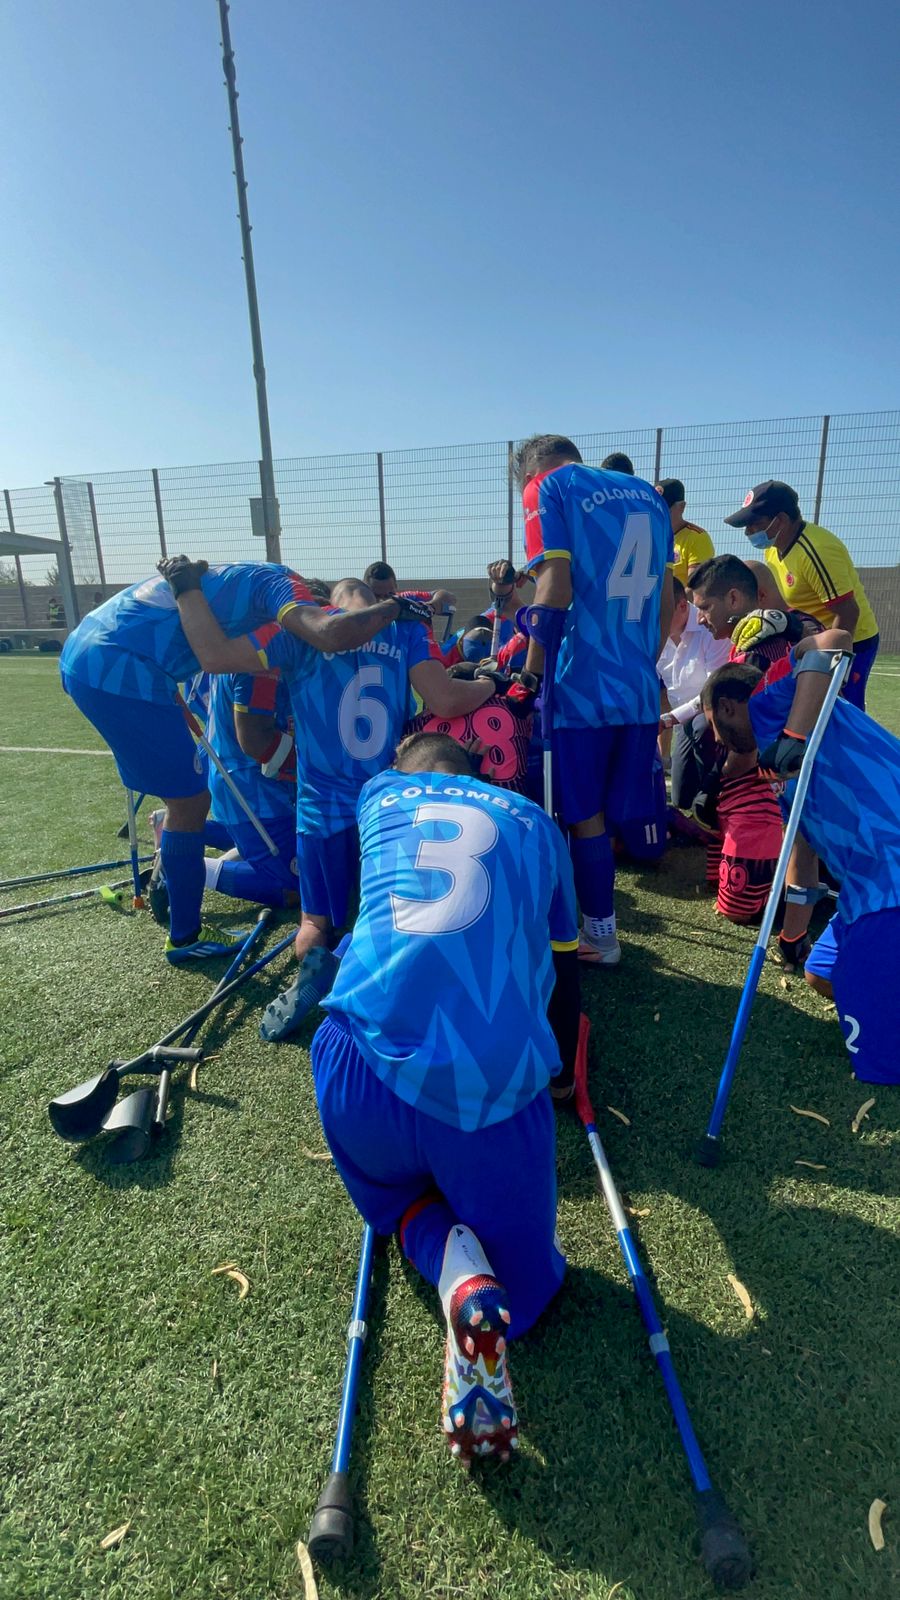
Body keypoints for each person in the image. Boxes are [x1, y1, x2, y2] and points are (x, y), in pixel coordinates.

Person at [310, 730, 583, 1463]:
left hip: (358, 1070)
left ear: (403, 762)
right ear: (480, 772)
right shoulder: (535, 821)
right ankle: (480, 1278)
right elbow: (567, 973)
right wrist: (561, 1077)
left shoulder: (379, 793)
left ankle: (449, 1263)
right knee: (526, 1300)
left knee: (392, 1200)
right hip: (487, 1097)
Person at [168, 575, 520, 1035]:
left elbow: (215, 657)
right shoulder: (405, 629)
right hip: (388, 805)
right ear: (372, 601)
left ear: (326, 603)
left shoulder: (299, 631)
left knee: (312, 918)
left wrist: (184, 589)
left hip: (318, 808)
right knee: (381, 910)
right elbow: (446, 698)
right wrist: (490, 685)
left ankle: (317, 964)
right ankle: (368, 975)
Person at [62, 557, 427, 962]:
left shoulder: (239, 603)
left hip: (119, 664)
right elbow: (255, 735)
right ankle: (186, 890)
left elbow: (205, 686)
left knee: (205, 810)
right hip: (249, 785)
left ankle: (181, 833)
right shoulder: (271, 626)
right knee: (294, 885)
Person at [701, 635, 900, 1084]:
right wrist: (791, 935)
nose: (717, 739)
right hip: (866, 886)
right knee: (820, 973)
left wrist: (794, 733)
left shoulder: (775, 700)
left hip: (890, 870)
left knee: (880, 1063)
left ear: (731, 707)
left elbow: (834, 640)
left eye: (714, 725)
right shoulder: (779, 778)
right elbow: (802, 857)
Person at [515, 434, 675, 965]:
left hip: (580, 681)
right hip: (635, 683)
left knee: (582, 816)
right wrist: (641, 661)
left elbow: (554, 586)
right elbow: (668, 596)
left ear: (531, 471)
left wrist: (532, 671)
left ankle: (599, 936)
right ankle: (594, 922)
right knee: (604, 815)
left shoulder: (547, 487)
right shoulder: (648, 494)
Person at [724, 481, 879, 708]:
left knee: (843, 714)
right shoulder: (773, 548)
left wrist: (832, 666)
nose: (748, 532)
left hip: (853, 639)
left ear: (782, 520)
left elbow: (848, 612)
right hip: (813, 637)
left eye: (755, 524)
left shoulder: (817, 550)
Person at [655, 479, 714, 587]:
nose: (659, 513)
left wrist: (667, 603)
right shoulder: (651, 536)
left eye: (664, 508)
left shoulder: (697, 538)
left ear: (682, 507)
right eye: (655, 507)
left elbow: (695, 588)